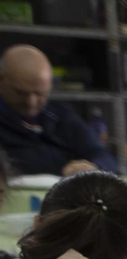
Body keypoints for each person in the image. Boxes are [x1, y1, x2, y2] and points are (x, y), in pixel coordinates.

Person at [0, 45, 117, 175]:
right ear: (1, 80)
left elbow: (104, 156)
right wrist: (60, 166)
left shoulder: (62, 115)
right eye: (21, 93)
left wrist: (93, 168)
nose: (31, 103)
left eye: (40, 94)